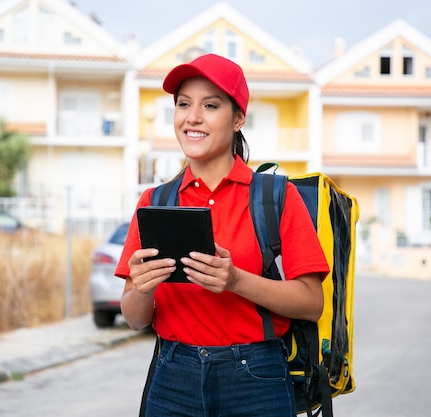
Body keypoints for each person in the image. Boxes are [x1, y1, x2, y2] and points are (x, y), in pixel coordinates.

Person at [115, 53, 329, 417]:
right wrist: (144, 287)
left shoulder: (274, 197)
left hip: (256, 379)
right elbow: (135, 318)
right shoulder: (155, 201)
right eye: (183, 104)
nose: (192, 117)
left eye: (210, 105)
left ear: (238, 119)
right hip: (172, 378)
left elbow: (311, 303)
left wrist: (236, 280)